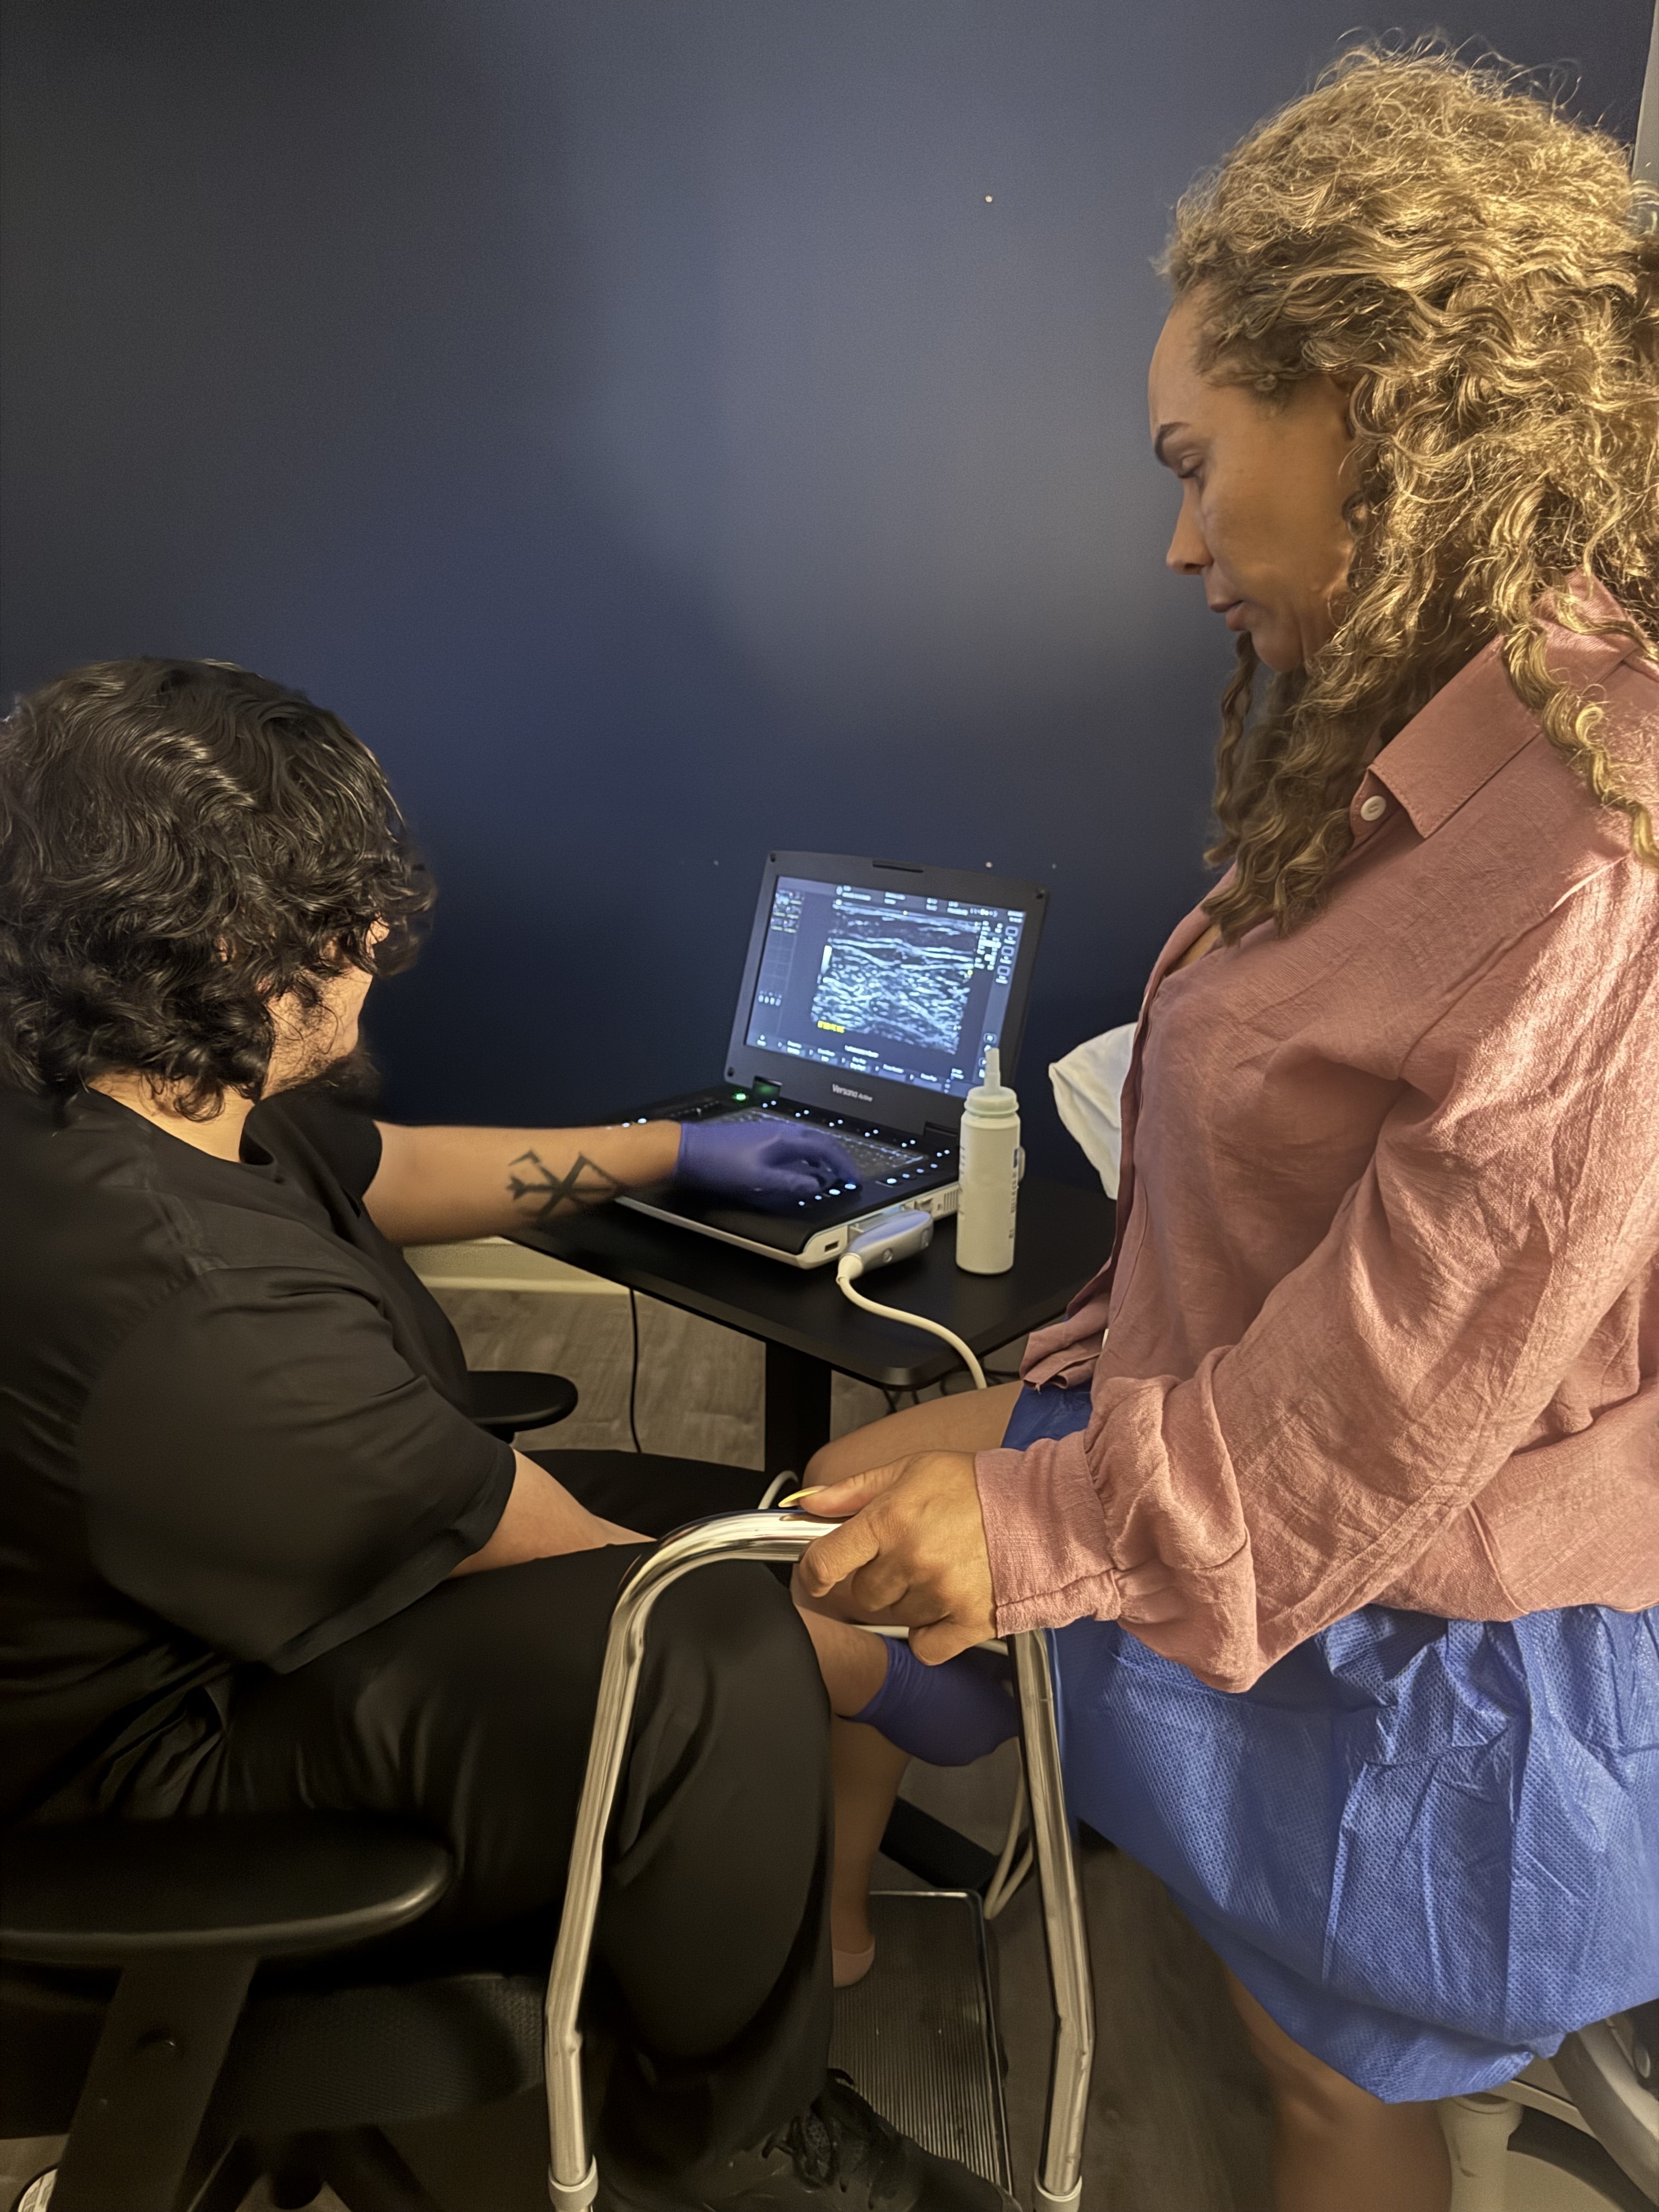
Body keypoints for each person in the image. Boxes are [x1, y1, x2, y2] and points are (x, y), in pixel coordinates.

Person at [789, 48, 1659, 2212]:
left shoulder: (1595, 858)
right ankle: (851, 1955)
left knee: (1327, 2098)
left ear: (1368, 395)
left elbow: (1392, 1406)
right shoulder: (1418, 785)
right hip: (1271, 1528)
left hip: (1443, 1654)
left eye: (1198, 461)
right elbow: (1267, 1225)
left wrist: (1038, 1525)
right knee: (825, 1534)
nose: (1178, 539)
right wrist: (1039, 1397)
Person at [0, 654, 1017, 2212]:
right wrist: (881, 1663)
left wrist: (671, 1149)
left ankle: (699, 1975)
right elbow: (589, 1561)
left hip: (222, 1606)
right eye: (338, 918)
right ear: (228, 941)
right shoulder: (185, 1308)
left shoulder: (126, 1075)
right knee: (714, 1646)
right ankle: (731, 2142)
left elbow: (381, 1166)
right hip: (143, 1777)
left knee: (732, 1518)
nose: (371, 953)